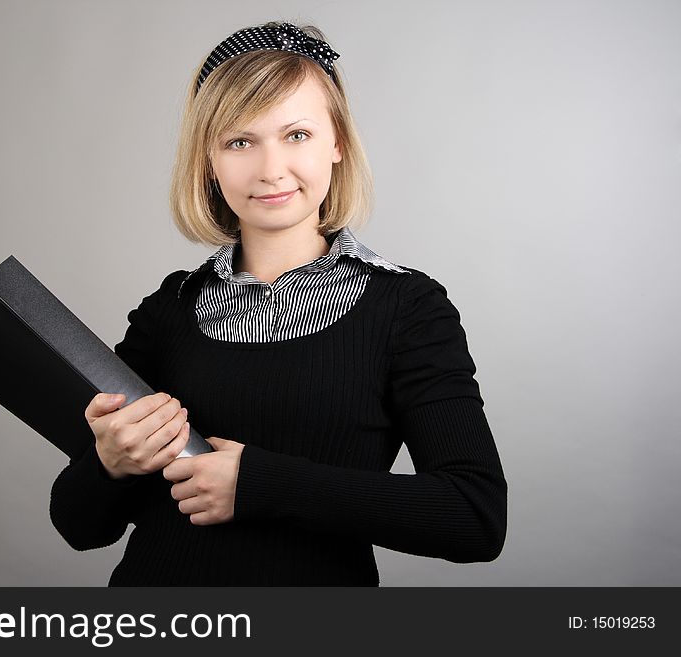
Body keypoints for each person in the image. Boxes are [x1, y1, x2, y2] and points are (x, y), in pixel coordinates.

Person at [49, 21, 507, 586]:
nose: (270, 170)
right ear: (208, 161)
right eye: (240, 141)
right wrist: (109, 465)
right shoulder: (168, 309)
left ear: (337, 142)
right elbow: (78, 526)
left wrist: (263, 485)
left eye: (297, 135)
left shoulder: (407, 309)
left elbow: (475, 517)